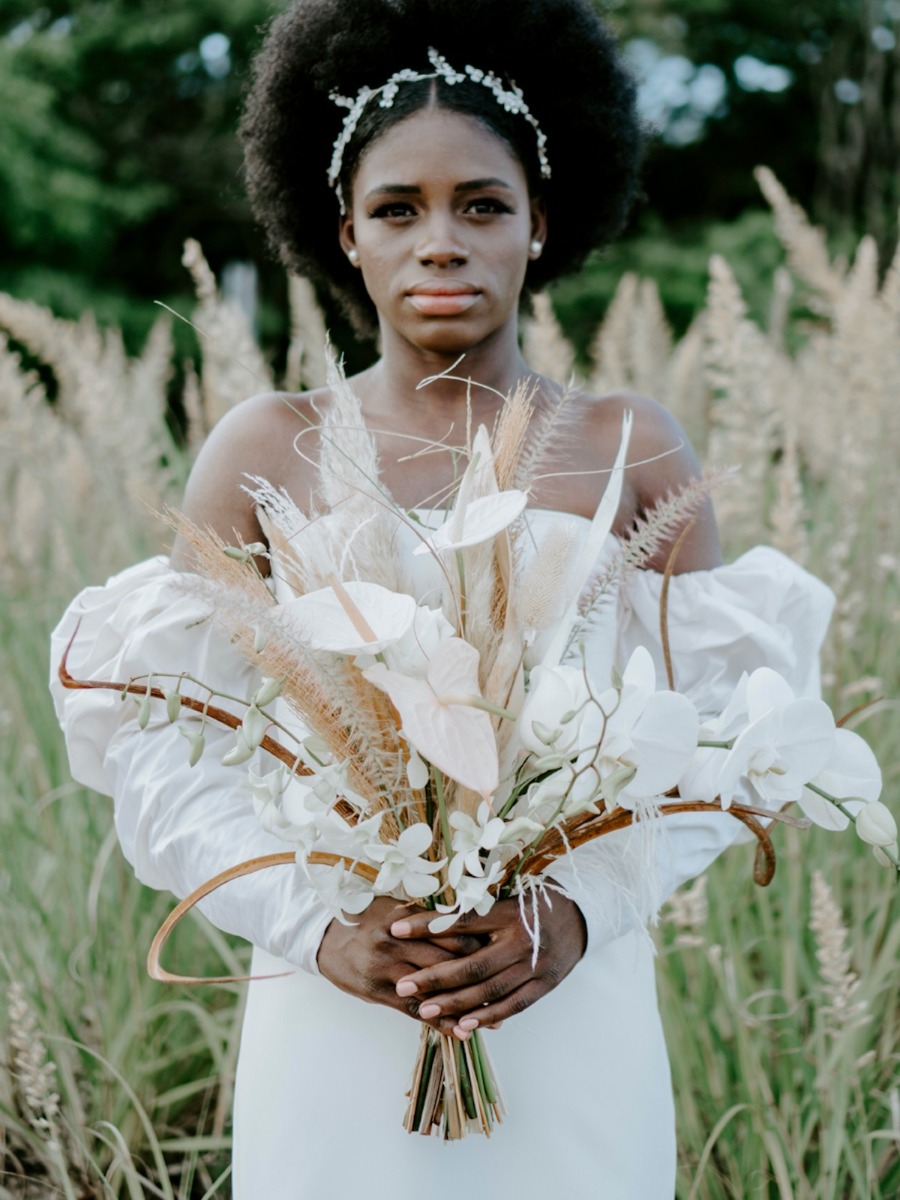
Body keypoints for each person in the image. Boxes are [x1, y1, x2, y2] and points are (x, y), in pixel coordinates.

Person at [50, 1, 835, 1195]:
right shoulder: (270, 445)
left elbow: (718, 735)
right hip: (338, 995)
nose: (441, 243)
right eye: (397, 211)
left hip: (560, 993)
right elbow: (166, 749)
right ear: (346, 237)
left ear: (540, 225)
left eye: (482, 205)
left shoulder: (634, 447)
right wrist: (314, 929)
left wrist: (573, 914)